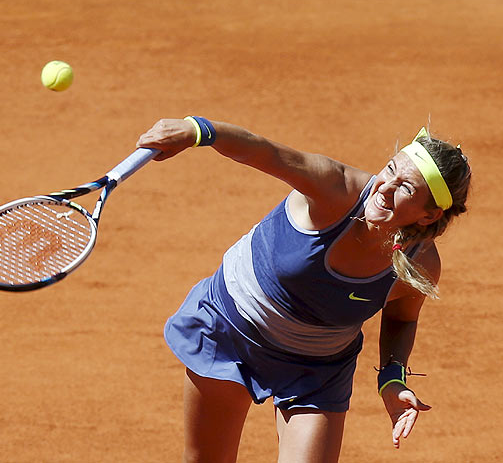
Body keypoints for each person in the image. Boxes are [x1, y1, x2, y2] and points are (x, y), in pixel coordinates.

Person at [136, 116, 471, 463]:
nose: (385, 186)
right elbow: (265, 152)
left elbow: (402, 318)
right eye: (390, 170)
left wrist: (392, 378)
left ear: (428, 216)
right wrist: (199, 131)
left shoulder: (422, 265)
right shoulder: (335, 188)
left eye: (406, 188)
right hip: (233, 329)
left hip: (316, 368)